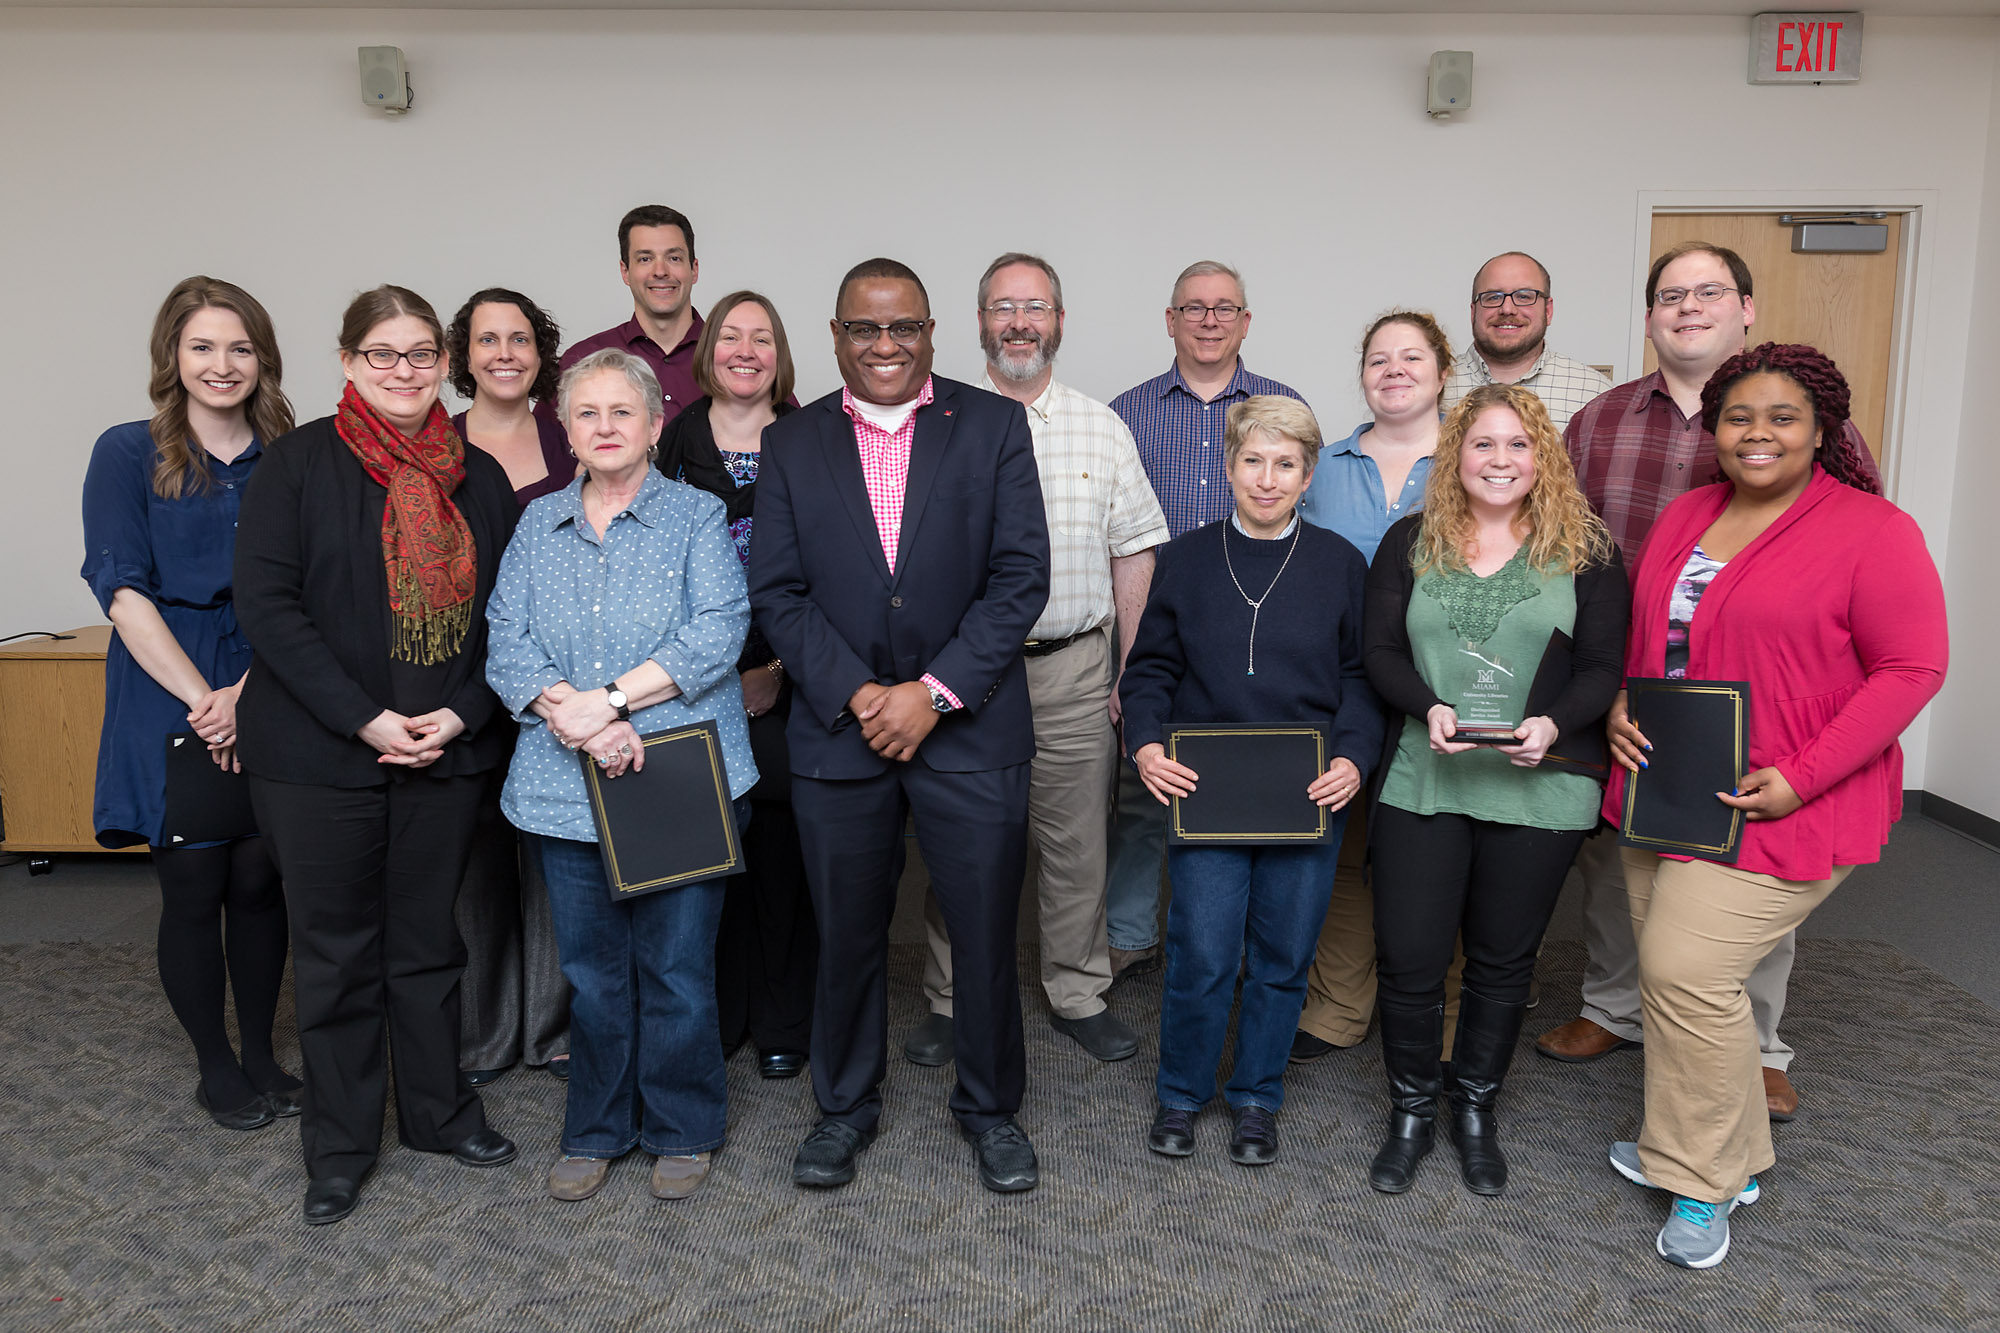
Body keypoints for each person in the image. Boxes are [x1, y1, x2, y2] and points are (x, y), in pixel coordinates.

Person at [1600, 343, 1945, 1269]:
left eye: (1781, 417)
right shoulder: (1687, 513)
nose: (1757, 434)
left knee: (1686, 971)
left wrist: (1804, 772)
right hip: (1667, 783)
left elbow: (1912, 668)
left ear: (1822, 430)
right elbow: (1658, 637)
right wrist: (1622, 702)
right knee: (1670, 981)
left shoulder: (1875, 530)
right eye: (1738, 417)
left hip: (1784, 795)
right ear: (1713, 431)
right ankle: (1717, 1150)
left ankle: (1704, 1186)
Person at [1538, 242, 1883, 1125]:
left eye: (1709, 292)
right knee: (1621, 864)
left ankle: (1754, 1042)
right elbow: (1565, 547)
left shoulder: (1816, 425)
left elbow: (1860, 559)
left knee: (1746, 876)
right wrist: (1599, 687)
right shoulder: (1601, 420)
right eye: (1669, 295)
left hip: (1765, 703)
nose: (1687, 307)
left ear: (1746, 307)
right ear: (1650, 315)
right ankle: (1616, 1008)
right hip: (1637, 690)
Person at [748, 258, 1050, 1194]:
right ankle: (843, 1107)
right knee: (845, 930)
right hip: (841, 732)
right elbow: (780, 591)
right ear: (836, 336)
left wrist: (934, 691)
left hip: (971, 726)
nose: (885, 346)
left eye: (903, 328)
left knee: (985, 931)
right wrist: (862, 693)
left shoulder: (993, 424)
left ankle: (991, 1108)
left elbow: (1020, 578)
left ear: (931, 333)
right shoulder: (793, 442)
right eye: (865, 330)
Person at [233, 285, 521, 1226]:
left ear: (446, 363)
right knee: (336, 955)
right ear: (350, 361)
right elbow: (270, 610)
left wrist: (463, 715)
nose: (405, 370)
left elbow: (506, 629)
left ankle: (440, 1115)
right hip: (319, 757)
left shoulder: (478, 477)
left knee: (429, 944)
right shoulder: (298, 464)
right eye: (383, 354)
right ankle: (343, 1144)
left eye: (421, 353)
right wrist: (364, 718)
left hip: (442, 752)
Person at [486, 347, 757, 1204]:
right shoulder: (537, 525)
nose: (605, 428)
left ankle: (683, 1123)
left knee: (677, 966)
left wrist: (604, 703)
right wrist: (565, 710)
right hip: (564, 789)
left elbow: (718, 632)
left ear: (651, 424)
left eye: (622, 413)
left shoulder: (695, 517)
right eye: (587, 414)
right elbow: (505, 637)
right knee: (594, 975)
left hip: (674, 776)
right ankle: (597, 1126)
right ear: (565, 430)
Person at [1362, 382, 1628, 1197]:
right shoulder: (1410, 540)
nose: (1500, 460)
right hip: (1425, 777)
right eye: (1483, 444)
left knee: (1503, 962)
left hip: (1539, 788)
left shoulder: (1589, 551)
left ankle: (1474, 1104)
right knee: (1409, 959)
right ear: (1456, 456)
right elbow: (1379, 653)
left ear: (1541, 456)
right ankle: (1411, 1105)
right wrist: (1429, 706)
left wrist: (1551, 723)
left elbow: (1599, 669)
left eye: (1518, 445)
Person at [907, 253, 1169, 1069]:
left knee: (1076, 840)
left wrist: (1128, 665)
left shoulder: (1101, 425)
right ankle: (950, 998)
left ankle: (1077, 988)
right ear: (978, 321)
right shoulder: (933, 422)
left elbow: (1133, 550)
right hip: (966, 673)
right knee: (962, 837)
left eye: (1036, 306)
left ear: (1059, 321)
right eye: (1003, 306)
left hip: (1070, 667)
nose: (1020, 320)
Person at [1118, 395, 1380, 1166]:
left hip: (1309, 789)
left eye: (1287, 464)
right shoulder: (1187, 558)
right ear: (1228, 467)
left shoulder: (1340, 564)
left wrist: (1353, 757)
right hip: (1207, 787)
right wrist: (1145, 744)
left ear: (1308, 476)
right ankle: (1181, 1090)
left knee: (1283, 951)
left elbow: (1361, 677)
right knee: (1201, 948)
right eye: (1253, 461)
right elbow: (1151, 671)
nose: (1268, 479)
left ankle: (1258, 1095)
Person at [81, 276, 299, 1132]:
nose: (222, 364)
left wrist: (250, 692)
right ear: (173, 354)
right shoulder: (127, 451)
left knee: (259, 879)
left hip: (269, 681)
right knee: (196, 878)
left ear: (263, 359)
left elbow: (305, 586)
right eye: (203, 346)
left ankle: (260, 1054)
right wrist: (209, 700)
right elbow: (122, 592)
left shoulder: (288, 453)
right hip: (169, 685)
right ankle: (216, 1063)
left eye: (240, 347)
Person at [1104, 261, 1309, 984]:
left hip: (1249, 637)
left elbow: (1299, 533)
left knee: (1247, 786)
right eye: (1194, 308)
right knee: (1141, 786)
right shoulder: (1125, 412)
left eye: (1225, 308)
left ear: (1246, 321)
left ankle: (1242, 943)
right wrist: (1125, 659)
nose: (1210, 319)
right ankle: (1130, 935)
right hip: (1155, 635)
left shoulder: (1283, 404)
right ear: (1170, 320)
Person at [655, 290, 816, 1081]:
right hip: (690, 680)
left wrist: (778, 671)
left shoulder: (815, 437)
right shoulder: (672, 436)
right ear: (707, 348)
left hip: (791, 679)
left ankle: (785, 1013)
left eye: (762, 338)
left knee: (782, 851)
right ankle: (715, 1012)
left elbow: (839, 573)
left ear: (780, 354)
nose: (744, 350)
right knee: (704, 853)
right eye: (730, 336)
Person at [1290, 309, 1453, 1065]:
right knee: (1344, 849)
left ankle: (1439, 1009)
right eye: (1378, 358)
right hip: (1338, 688)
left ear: (1444, 373)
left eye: (1411, 356)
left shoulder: (1478, 458)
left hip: (1443, 690)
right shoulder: (1319, 465)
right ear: (1362, 375)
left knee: (1438, 850)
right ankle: (1337, 1004)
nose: (1394, 369)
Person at [444, 287, 575, 1087]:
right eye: (487, 339)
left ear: (540, 351)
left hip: (561, 680)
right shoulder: (433, 445)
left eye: (519, 338)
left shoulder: (574, 435)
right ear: (463, 355)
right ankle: (485, 1032)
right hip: (462, 675)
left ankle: (555, 1028)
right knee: (475, 860)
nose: (504, 353)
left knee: (556, 858)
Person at [556, 205, 703, 425]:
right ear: (625, 271)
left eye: (674, 258)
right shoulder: (582, 359)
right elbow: (550, 446)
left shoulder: (729, 358)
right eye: (645, 259)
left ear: (694, 269)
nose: (660, 271)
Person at [1441, 252, 1611, 431]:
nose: (1507, 309)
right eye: (1493, 297)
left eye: (1524, 296)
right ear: (1473, 312)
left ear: (1548, 310)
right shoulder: (1432, 387)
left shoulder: (1595, 393)